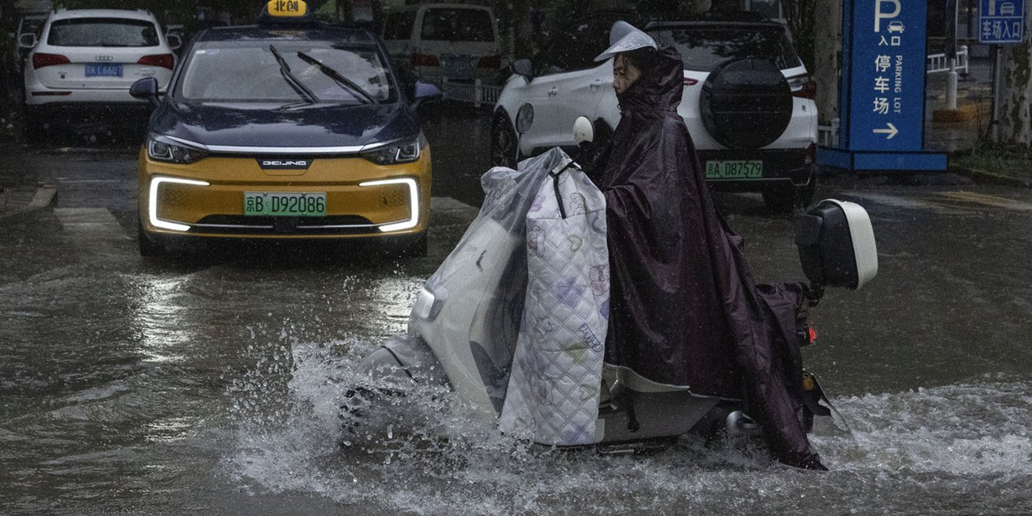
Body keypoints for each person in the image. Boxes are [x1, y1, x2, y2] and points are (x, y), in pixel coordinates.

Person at [592, 22, 826, 470]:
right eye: (615, 74)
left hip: (670, 271)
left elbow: (651, 204)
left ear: (649, 74)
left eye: (624, 73)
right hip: (631, 258)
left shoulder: (664, 130)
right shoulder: (636, 126)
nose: (617, 83)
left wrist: (603, 202)